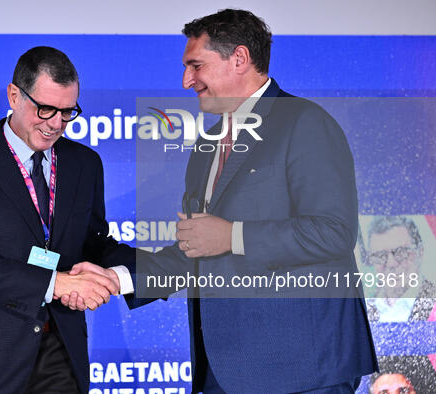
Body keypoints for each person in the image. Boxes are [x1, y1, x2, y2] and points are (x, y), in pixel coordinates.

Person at [69, 8, 379, 393]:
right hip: (224, 370)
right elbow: (197, 251)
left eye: (196, 65)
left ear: (240, 58)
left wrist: (232, 236)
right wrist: (118, 278)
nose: (186, 81)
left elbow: (333, 232)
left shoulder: (304, 122)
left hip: (302, 370)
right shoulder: (207, 145)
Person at [0, 46, 134, 393]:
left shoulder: (86, 164)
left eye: (68, 112)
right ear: (14, 95)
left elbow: (93, 244)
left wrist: (139, 271)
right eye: (46, 109)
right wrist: (56, 284)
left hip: (60, 354)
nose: (56, 124)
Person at [363, 216, 436, 321]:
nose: (391, 263)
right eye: (380, 256)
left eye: (401, 252)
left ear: (420, 252)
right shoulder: (362, 311)